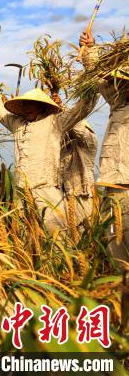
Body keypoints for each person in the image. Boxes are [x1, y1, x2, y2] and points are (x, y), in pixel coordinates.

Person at [0, 70, 96, 233]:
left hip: (46, 190)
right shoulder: (17, 124)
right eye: (25, 104)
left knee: (56, 237)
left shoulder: (54, 122)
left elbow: (81, 109)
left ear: (42, 105)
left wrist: (91, 84)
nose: (27, 107)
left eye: (32, 103)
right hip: (22, 192)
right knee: (26, 237)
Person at [79, 31, 128, 268]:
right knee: (115, 243)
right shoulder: (118, 100)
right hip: (113, 180)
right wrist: (90, 50)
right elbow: (100, 77)